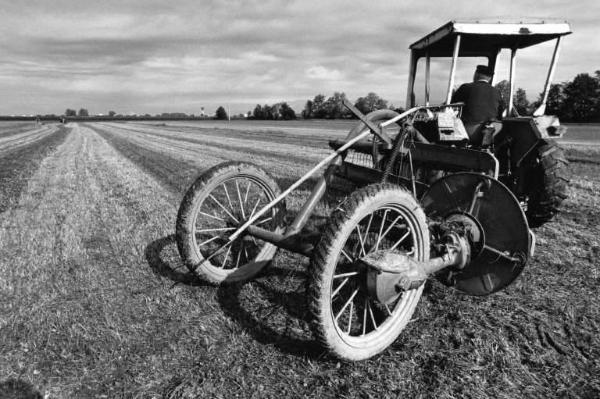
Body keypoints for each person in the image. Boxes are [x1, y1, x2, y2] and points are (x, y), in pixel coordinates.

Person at [451, 65, 505, 145]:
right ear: (490, 78)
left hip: (470, 132)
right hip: (493, 133)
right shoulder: (497, 92)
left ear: (476, 74)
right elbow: (500, 114)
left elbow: (450, 108)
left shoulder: (465, 88)